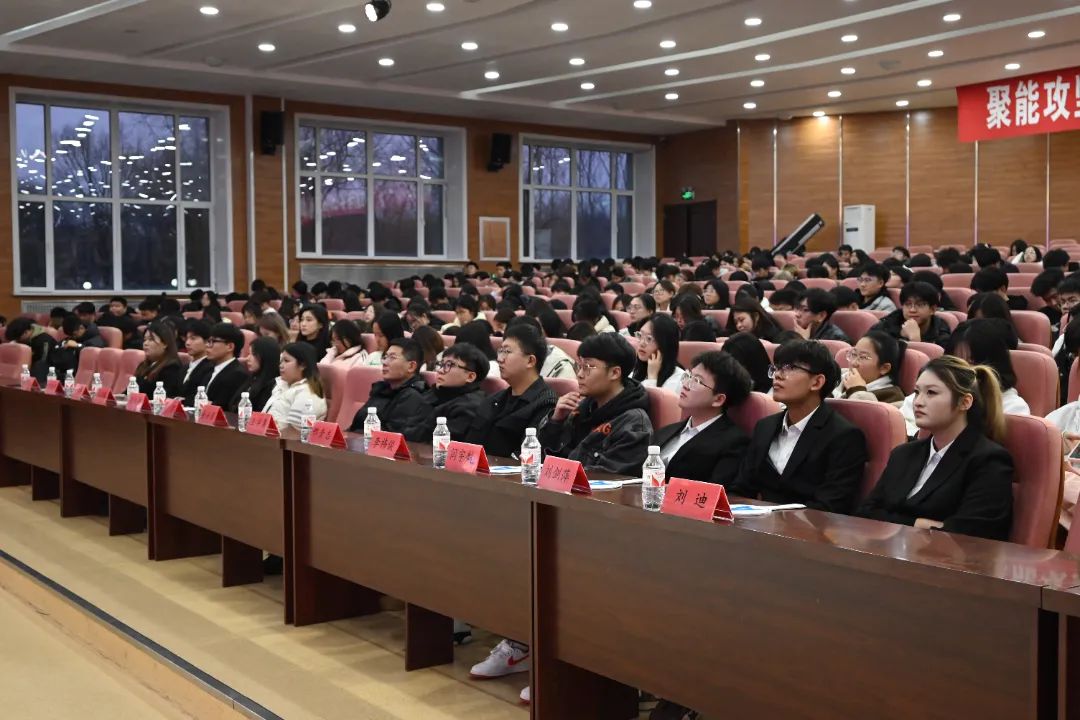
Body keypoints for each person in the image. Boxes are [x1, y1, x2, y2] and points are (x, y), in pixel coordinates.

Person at [858, 356, 1014, 541]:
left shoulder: (988, 460)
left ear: (964, 402)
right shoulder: (904, 454)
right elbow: (865, 513)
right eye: (917, 392)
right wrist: (917, 523)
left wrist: (896, 521)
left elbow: (969, 535)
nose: (918, 402)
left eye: (931, 393)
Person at [730, 340, 868, 513]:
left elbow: (830, 506)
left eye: (790, 368)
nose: (778, 375)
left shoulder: (844, 436)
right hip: (756, 524)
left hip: (810, 527)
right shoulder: (765, 426)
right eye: (776, 368)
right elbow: (741, 488)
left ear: (817, 382)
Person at [537, 333, 653, 476]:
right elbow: (539, 459)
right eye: (579, 366)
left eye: (588, 367)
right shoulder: (582, 408)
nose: (579, 374)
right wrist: (555, 421)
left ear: (614, 373)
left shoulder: (634, 425)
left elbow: (605, 480)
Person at [899, 319, 1028, 436]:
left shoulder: (1013, 407)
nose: (960, 369)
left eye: (971, 362)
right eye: (955, 361)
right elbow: (902, 422)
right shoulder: (933, 392)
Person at [652, 351, 751, 486]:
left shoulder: (733, 443)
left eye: (697, 381)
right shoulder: (667, 431)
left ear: (718, 399)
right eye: (688, 376)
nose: (685, 384)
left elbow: (714, 491)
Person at [466, 323, 557, 458]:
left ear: (530, 361)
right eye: (500, 351)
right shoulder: (493, 400)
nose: (499, 359)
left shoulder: (545, 403)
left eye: (507, 352)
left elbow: (526, 458)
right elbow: (470, 447)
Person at [403, 343, 489, 442]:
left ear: (470, 377)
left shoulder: (470, 407)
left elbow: (436, 443)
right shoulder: (436, 393)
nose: (440, 370)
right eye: (441, 364)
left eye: (449, 365)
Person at [350, 338, 429, 434]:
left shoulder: (413, 397)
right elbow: (356, 425)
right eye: (385, 357)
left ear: (411, 366)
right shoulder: (382, 389)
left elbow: (390, 436)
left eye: (392, 358)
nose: (384, 362)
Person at [262, 343, 327, 430]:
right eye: (281, 361)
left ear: (303, 365)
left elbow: (295, 432)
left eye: (286, 361)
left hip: (280, 437)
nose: (281, 365)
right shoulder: (282, 385)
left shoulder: (308, 394)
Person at [869, 281, 953, 348]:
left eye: (920, 305)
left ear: (932, 309)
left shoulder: (941, 331)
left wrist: (915, 341)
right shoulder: (886, 325)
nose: (912, 310)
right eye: (908, 304)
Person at [835, 331, 906, 404]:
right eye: (854, 354)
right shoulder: (837, 376)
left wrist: (857, 390)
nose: (853, 363)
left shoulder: (893, 397)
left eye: (863, 357)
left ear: (884, 368)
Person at [631, 314, 685, 393]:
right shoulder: (635, 367)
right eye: (640, 335)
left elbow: (648, 401)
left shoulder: (678, 379)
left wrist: (652, 377)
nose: (642, 343)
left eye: (649, 338)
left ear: (665, 344)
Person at [202, 323, 250, 408]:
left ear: (230, 347)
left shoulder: (238, 374)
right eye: (208, 341)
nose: (207, 345)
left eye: (213, 341)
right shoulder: (208, 369)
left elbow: (224, 407)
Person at [228, 337, 280, 413]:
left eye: (253, 354)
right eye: (248, 354)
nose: (247, 358)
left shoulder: (273, 386)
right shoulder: (253, 378)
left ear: (266, 356)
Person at [133, 321, 184, 398]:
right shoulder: (143, 365)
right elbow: (129, 392)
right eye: (145, 339)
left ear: (165, 344)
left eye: (151, 340)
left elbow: (161, 399)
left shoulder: (172, 368)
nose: (145, 343)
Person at [179, 320, 214, 405]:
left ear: (207, 342)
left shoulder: (210, 368)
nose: (187, 343)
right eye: (187, 338)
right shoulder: (185, 367)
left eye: (193, 338)